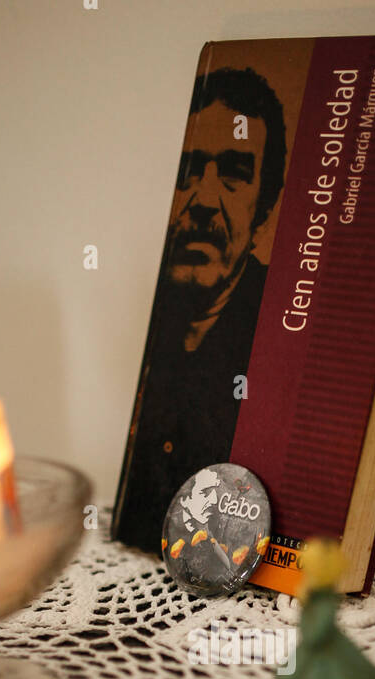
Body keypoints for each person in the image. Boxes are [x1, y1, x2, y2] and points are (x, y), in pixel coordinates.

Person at [113, 66, 287, 553]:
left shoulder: (279, 333)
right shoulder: (155, 325)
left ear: (265, 206)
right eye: (190, 171)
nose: (204, 200)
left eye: (233, 174)